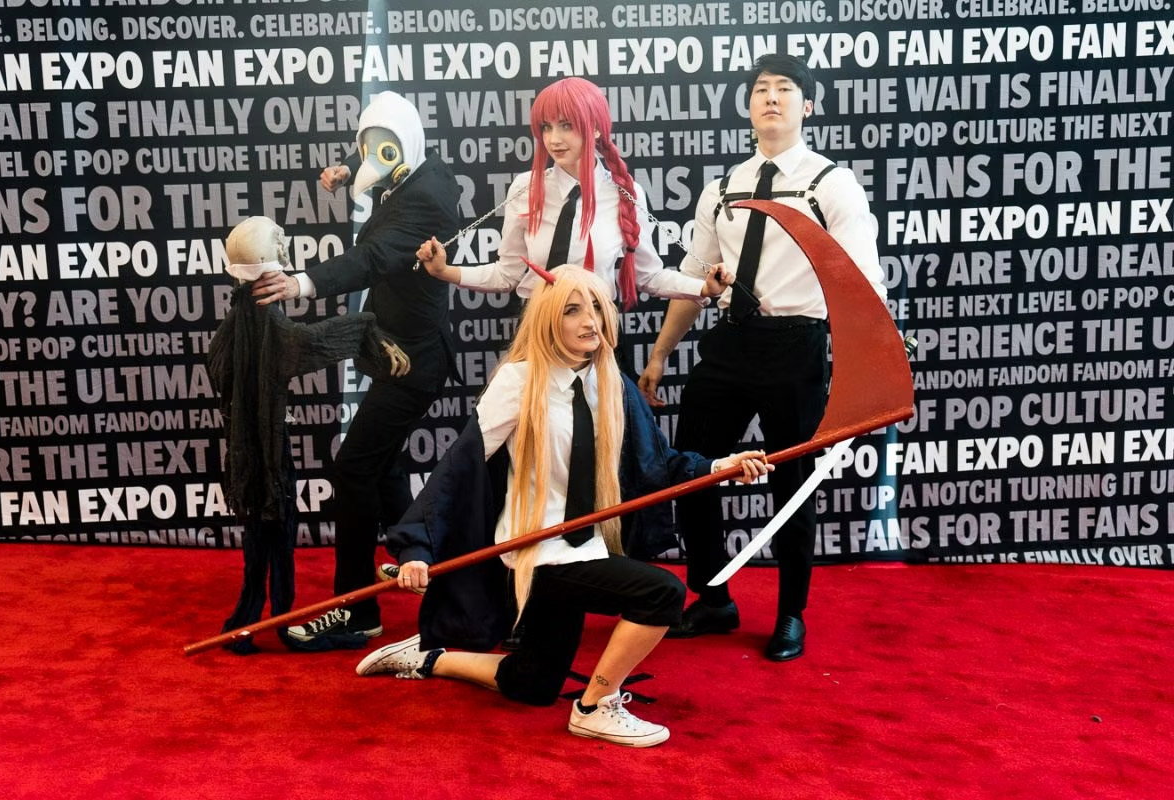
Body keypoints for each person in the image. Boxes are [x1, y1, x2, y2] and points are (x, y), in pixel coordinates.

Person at [354, 266, 769, 747]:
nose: (590, 320)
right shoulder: (519, 381)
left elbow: (661, 461)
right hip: (535, 549)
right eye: (573, 310)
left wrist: (723, 465)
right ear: (549, 319)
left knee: (532, 683)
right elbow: (458, 468)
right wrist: (415, 549)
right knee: (660, 594)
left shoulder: (610, 380)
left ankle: (427, 657)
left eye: (596, 307)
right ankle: (595, 706)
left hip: (585, 547)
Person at [638, 54, 886, 662]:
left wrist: (875, 364)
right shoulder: (722, 188)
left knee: (792, 484)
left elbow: (864, 284)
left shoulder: (831, 184)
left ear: (809, 106)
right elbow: (694, 280)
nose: (770, 97)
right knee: (692, 470)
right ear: (747, 107)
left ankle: (791, 613)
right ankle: (714, 596)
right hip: (728, 343)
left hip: (796, 346)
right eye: (759, 89)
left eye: (785, 89)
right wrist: (660, 354)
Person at [250, 91, 461, 649]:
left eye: (379, 146)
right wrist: (352, 170)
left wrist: (300, 284)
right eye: (365, 144)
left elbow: (372, 257)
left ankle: (356, 610)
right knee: (382, 466)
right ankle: (420, 563)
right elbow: (390, 164)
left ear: (405, 144)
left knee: (352, 469)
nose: (370, 155)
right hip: (396, 350)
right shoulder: (418, 169)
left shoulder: (428, 201)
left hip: (414, 362)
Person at [207, 215, 410, 653]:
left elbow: (227, 365)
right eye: (280, 245)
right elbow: (312, 342)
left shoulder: (235, 321)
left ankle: (252, 615)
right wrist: (366, 327)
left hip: (248, 453)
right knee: (274, 527)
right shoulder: (271, 326)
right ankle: (273, 616)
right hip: (267, 456)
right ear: (272, 258)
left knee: (261, 533)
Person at [415, 76, 731, 309]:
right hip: (535, 331)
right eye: (546, 127)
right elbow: (507, 274)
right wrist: (444, 271)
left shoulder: (625, 192)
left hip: (594, 330)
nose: (554, 139)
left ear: (595, 128)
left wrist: (704, 287)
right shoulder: (525, 188)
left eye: (566, 125)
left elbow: (648, 277)